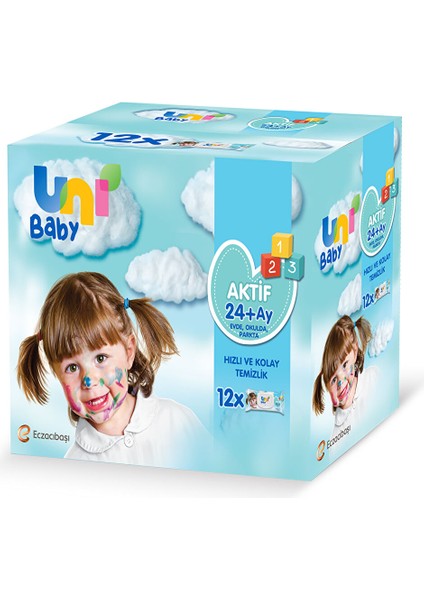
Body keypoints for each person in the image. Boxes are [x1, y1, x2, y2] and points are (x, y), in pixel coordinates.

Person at [17, 272, 208, 469]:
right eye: (72, 367)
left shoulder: (178, 422)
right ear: (57, 374)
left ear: (128, 352)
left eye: (100, 358)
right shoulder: (74, 465)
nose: (89, 380)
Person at [312, 315, 378, 446]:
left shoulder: (373, 378)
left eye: (345, 365)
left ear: (355, 351)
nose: (340, 383)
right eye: (333, 380)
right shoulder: (335, 439)